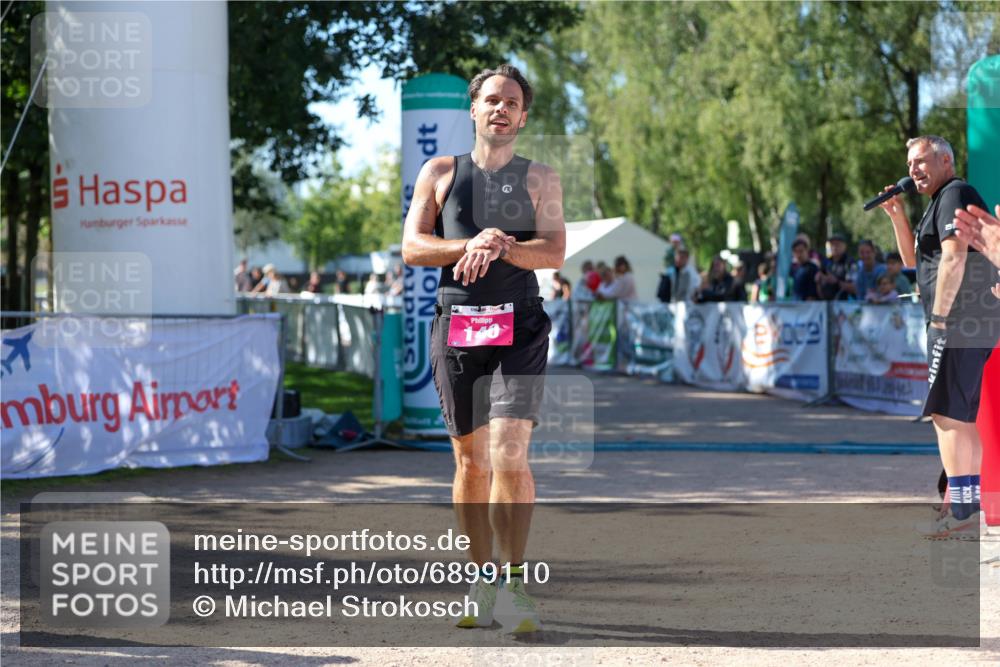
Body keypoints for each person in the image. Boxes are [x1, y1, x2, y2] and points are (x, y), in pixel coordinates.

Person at [401, 63, 565, 633]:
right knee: (471, 463)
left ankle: (515, 583)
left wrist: (500, 246)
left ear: (523, 116)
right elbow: (413, 248)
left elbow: (553, 252)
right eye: (492, 99)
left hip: (520, 323)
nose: (501, 108)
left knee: (510, 453)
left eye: (512, 102)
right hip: (458, 324)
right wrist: (471, 242)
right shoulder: (440, 171)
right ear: (473, 109)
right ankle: (481, 580)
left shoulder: (540, 177)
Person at [877, 134, 996, 538]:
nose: (913, 170)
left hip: (959, 320)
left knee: (946, 416)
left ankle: (961, 514)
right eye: (909, 164)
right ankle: (966, 510)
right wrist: (897, 216)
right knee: (958, 417)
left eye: (921, 161)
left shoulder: (955, 192)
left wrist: (941, 317)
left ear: (946, 160)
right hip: (968, 322)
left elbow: (954, 256)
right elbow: (915, 261)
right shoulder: (940, 200)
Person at [816, 234, 853, 300]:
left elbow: (854, 288)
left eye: (837, 244)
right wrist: (819, 280)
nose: (834, 247)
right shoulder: (826, 262)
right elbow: (819, 280)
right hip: (825, 302)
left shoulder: (849, 262)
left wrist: (837, 282)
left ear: (844, 246)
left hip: (845, 302)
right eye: (832, 244)